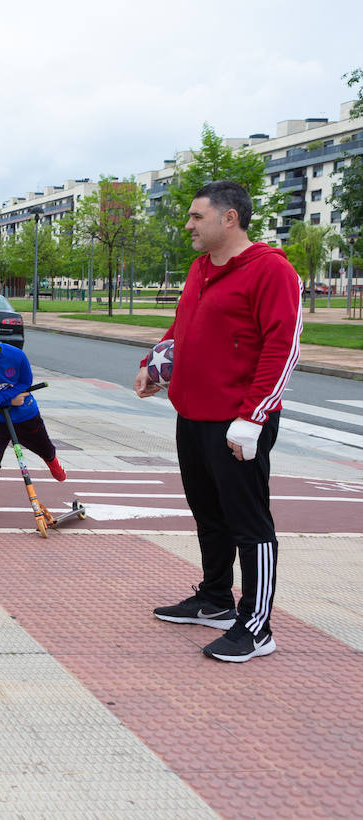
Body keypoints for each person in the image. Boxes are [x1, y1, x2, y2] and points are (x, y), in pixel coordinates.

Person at [134, 180, 301, 663]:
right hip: (193, 415)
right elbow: (182, 326)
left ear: (230, 218)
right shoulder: (201, 268)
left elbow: (282, 348)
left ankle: (256, 626)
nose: (188, 224)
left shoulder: (271, 271)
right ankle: (214, 600)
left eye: (195, 216)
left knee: (250, 524)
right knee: (208, 514)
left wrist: (253, 417)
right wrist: (154, 365)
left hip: (239, 423)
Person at [0, 323, 65, 521]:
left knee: (45, 449)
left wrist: (0, 398)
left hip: (26, 415)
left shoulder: (16, 356)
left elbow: (25, 382)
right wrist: (1, 400)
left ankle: (51, 459)